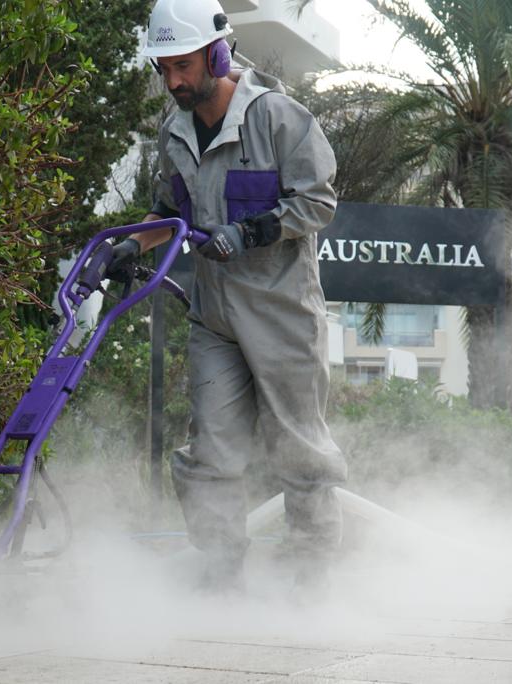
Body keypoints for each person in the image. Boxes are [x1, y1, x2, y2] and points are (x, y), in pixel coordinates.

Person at [108, 0, 347, 592]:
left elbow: (318, 201)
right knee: (211, 453)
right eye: (163, 70)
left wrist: (254, 229)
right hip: (215, 318)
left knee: (300, 451)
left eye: (183, 67)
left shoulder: (280, 118)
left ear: (217, 53)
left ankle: (307, 578)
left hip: (281, 314)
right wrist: (131, 248)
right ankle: (220, 576)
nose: (173, 82)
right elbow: (171, 211)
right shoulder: (175, 129)